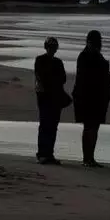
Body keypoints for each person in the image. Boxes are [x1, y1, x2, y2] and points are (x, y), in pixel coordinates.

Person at [72, 30, 110, 167]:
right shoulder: (86, 56)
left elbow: (103, 73)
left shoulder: (93, 56)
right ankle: (87, 159)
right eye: (96, 42)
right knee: (90, 126)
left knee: (94, 127)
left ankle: (90, 158)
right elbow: (94, 75)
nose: (97, 44)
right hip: (88, 97)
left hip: (96, 97)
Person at [34, 37, 70, 165]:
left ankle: (49, 154)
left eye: (54, 47)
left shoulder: (58, 62)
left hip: (56, 98)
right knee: (45, 125)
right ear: (46, 47)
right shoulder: (40, 60)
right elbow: (40, 77)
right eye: (50, 46)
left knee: (53, 126)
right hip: (44, 98)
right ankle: (42, 154)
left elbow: (63, 79)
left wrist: (52, 80)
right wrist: (53, 80)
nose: (52, 49)